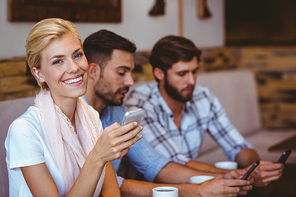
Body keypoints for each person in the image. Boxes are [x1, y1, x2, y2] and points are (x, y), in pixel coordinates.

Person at [83, 29, 252, 197]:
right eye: (121, 72)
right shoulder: (73, 113)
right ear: (93, 71)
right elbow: (108, 183)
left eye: (130, 72)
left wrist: (223, 179)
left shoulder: (117, 110)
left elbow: (155, 164)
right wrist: (197, 191)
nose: (130, 81)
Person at [5, 18, 142, 197]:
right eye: (57, 61)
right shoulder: (24, 131)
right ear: (38, 74)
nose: (74, 67)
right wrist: (97, 157)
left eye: (77, 55)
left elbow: (110, 191)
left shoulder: (90, 116)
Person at [125, 35, 284, 188]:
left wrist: (255, 167)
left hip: (189, 185)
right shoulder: (141, 105)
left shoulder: (202, 97)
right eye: (182, 74)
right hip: (150, 189)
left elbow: (237, 145)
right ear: (159, 73)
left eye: (194, 71)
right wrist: (239, 174)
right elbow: (174, 162)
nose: (191, 81)